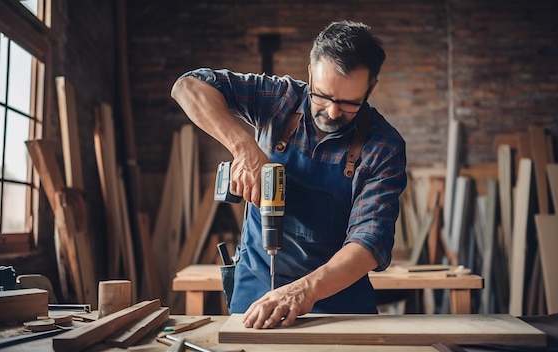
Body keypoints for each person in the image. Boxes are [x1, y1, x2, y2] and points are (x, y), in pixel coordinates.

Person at [171, 20, 407, 329]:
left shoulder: (383, 146)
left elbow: (369, 241)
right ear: (310, 73)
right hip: (255, 293)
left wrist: (305, 290)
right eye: (322, 96)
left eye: (350, 103)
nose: (333, 112)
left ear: (371, 87)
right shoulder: (279, 100)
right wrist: (243, 147)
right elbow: (187, 86)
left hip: (338, 303)